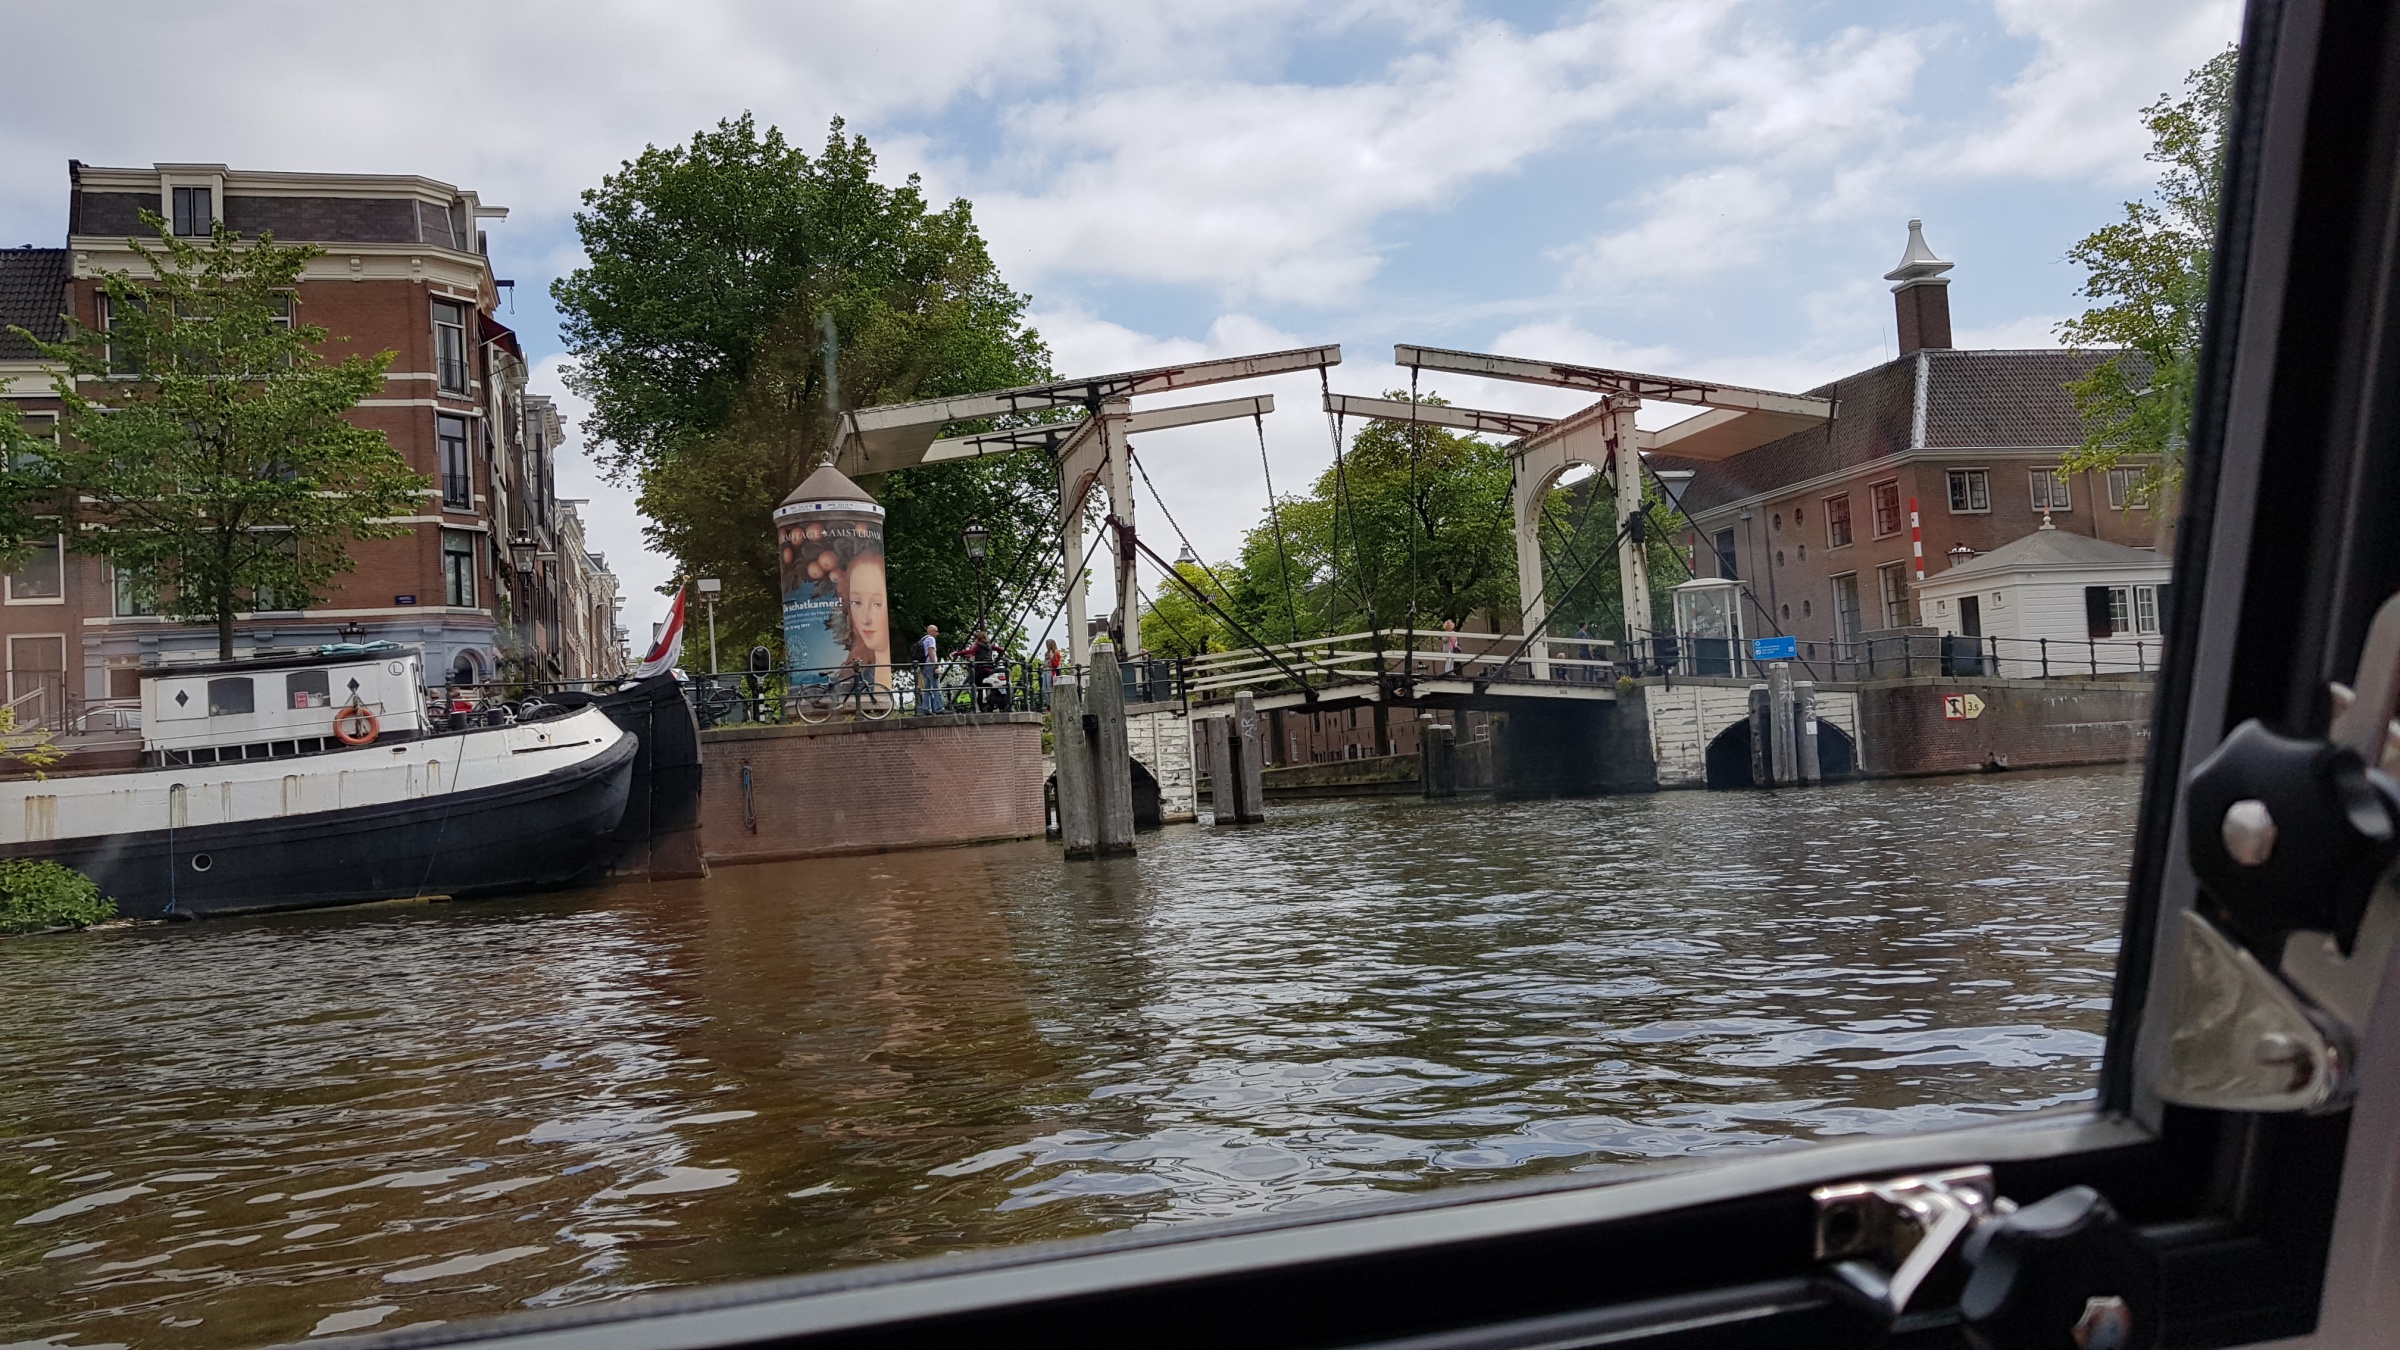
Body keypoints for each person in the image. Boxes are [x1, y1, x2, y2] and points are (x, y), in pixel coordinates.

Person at [915, 623, 943, 714]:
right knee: (936, 687)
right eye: (936, 631)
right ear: (932, 631)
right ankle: (938, 708)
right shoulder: (931, 639)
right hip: (930, 665)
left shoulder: (923, 639)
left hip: (923, 666)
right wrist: (935, 665)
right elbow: (931, 652)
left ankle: (926, 708)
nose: (937, 633)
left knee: (927, 688)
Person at [1042, 638, 1062, 704]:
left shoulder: (1056, 653)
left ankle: (1052, 704)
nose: (1047, 645)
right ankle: (1049, 704)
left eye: (1048, 644)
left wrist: (1051, 658)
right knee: (1043, 689)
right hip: (1045, 671)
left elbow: (1056, 665)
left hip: (1050, 672)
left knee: (1049, 688)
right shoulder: (1046, 653)